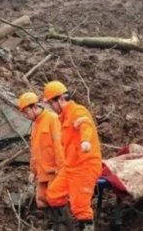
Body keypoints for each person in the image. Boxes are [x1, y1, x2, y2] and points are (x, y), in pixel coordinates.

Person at [44, 81, 102, 231]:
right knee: (53, 195)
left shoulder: (77, 111)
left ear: (60, 99)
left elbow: (85, 125)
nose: (51, 107)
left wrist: (85, 141)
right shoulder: (64, 117)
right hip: (70, 166)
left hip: (85, 166)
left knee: (80, 208)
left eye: (51, 103)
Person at [17, 92, 70, 230]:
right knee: (42, 201)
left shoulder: (52, 119)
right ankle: (53, 226)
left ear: (34, 107)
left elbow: (59, 146)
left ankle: (65, 227)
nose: (25, 116)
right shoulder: (35, 125)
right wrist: (33, 170)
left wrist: (61, 169)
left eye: (25, 112)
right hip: (42, 172)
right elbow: (35, 150)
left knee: (57, 200)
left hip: (54, 171)